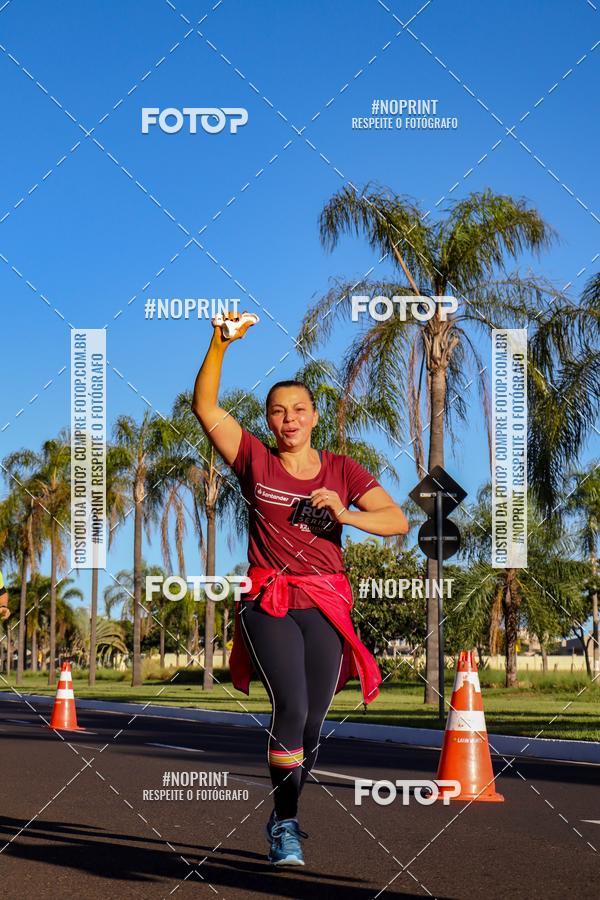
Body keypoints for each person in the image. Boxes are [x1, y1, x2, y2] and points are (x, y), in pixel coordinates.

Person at [191, 311, 408, 867]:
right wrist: (220, 344)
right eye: (277, 412)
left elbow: (397, 520)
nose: (288, 419)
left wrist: (348, 515)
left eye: (298, 411)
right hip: (269, 598)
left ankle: (282, 812)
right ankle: (285, 825)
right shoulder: (254, 460)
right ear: (268, 420)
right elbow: (207, 408)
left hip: (326, 600)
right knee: (289, 704)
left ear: (314, 418)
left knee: (312, 719)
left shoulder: (341, 469)